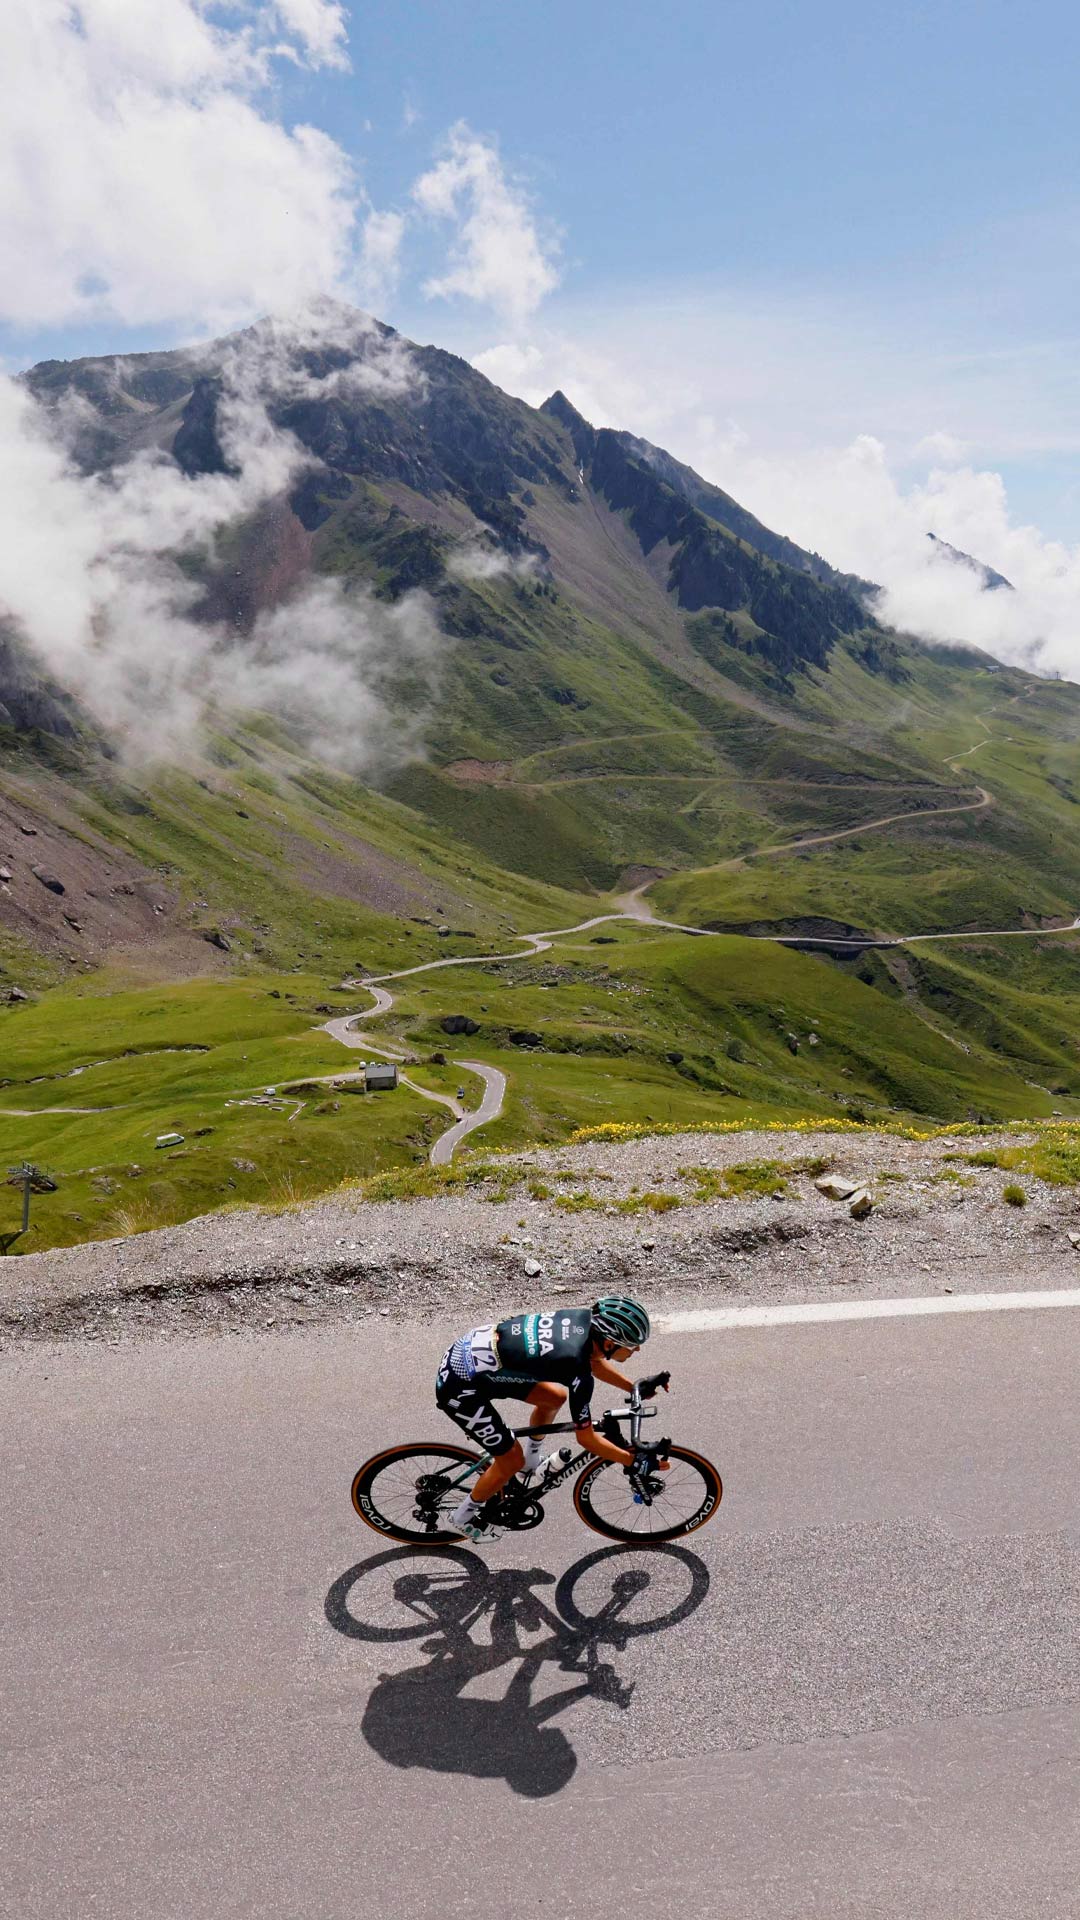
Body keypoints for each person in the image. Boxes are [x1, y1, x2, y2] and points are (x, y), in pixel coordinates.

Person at [435, 1295, 669, 1540]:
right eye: (632, 1344)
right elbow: (587, 1439)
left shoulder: (582, 1321)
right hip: (461, 1387)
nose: (636, 1349)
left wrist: (633, 1387)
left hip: (474, 1355)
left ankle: (529, 1464)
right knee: (509, 1460)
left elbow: (594, 1362)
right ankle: (460, 1519)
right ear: (609, 1343)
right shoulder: (575, 1365)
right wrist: (631, 1460)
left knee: (554, 1398)